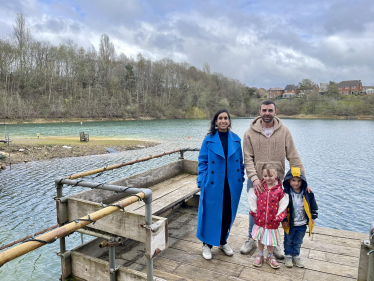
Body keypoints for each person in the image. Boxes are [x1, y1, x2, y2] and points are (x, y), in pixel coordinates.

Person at [241, 99, 308, 259]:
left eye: (270, 110)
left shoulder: (284, 131)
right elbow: (247, 158)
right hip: (257, 180)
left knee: (276, 212)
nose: (267, 113)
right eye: (264, 110)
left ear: (275, 112)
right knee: (255, 210)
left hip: (277, 182)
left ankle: (274, 243)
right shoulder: (249, 133)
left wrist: (302, 179)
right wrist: (254, 178)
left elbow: (293, 156)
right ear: (259, 111)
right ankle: (252, 238)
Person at [196, 109, 245, 260]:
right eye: (220, 118)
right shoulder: (208, 139)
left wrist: (241, 178)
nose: (223, 120)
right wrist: (202, 180)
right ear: (216, 122)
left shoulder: (236, 139)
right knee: (210, 214)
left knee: (227, 213)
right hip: (213, 184)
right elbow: (202, 162)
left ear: (229, 121)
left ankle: (223, 242)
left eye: (226, 118)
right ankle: (207, 245)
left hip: (231, 185)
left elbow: (240, 163)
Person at [248, 163, 289, 268]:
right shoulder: (260, 187)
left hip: (272, 221)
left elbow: (283, 205)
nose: (268, 178)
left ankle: (270, 256)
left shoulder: (280, 191)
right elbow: (253, 199)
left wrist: (280, 217)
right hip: (260, 220)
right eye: (265, 176)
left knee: (270, 240)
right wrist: (254, 212)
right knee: (260, 238)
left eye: (270, 176)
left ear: (276, 174)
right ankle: (260, 254)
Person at [282, 167, 318, 268]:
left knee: (298, 241)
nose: (296, 183)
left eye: (299, 181)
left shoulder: (308, 193)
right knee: (288, 240)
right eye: (293, 180)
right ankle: (288, 255)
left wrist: (312, 217)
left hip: (302, 223)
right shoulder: (285, 193)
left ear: (303, 181)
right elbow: (282, 208)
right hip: (290, 223)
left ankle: (296, 255)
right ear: (289, 180)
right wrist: (284, 220)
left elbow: (313, 206)